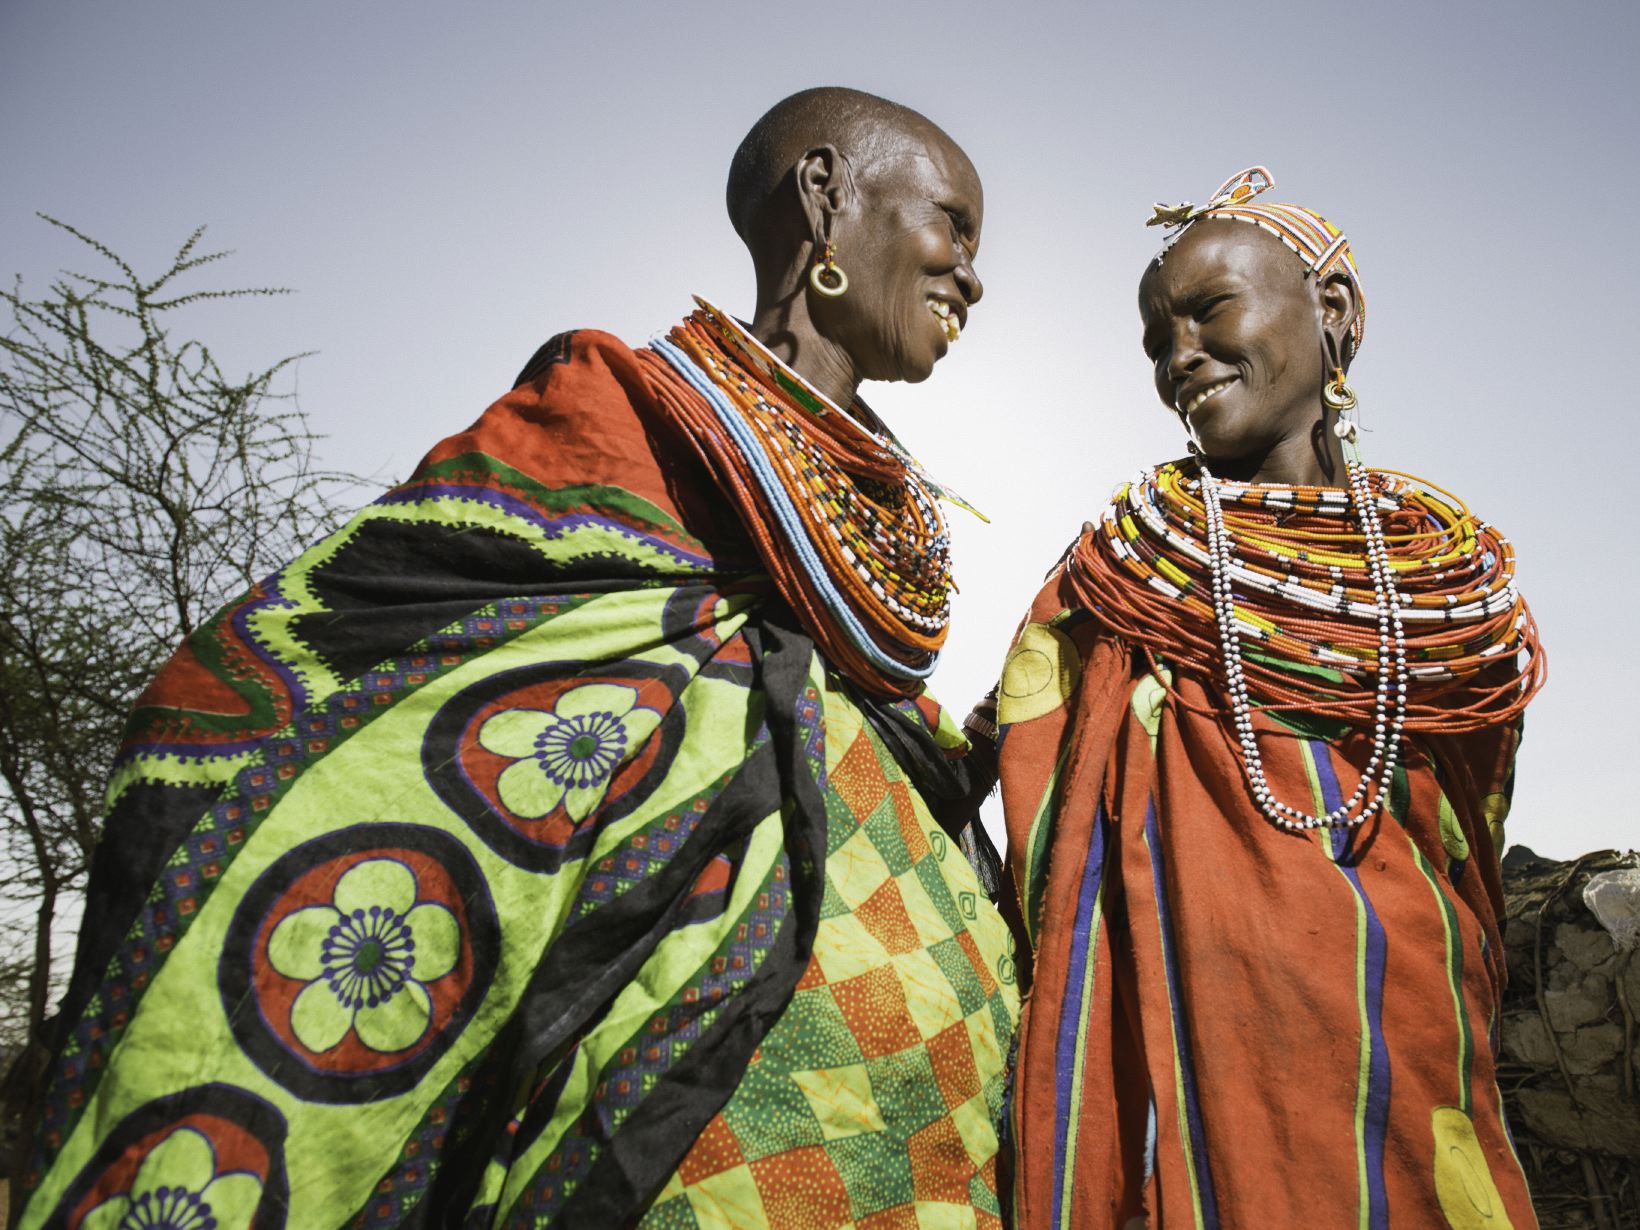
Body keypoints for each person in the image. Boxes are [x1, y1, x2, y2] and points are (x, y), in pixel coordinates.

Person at [17, 87, 1019, 1229]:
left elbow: (844, 727)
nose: (971, 277)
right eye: (952, 227)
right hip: (658, 1123)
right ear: (825, 199)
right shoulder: (613, 425)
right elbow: (330, 666)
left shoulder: (876, 536)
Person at [978, 168, 1545, 1228]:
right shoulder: (1128, 575)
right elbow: (1020, 757)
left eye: (1206, 310)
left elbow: (1466, 831)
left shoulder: (1442, 591)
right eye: (1154, 339)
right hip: (1186, 1047)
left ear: (1332, 314)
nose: (1176, 356)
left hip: (1407, 1037)